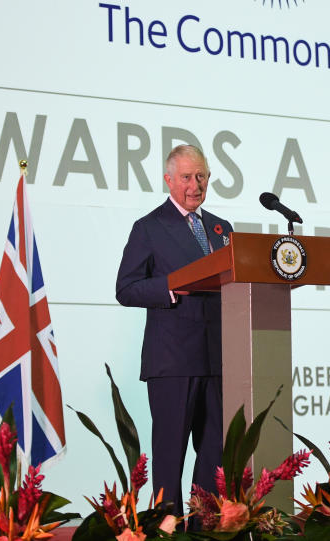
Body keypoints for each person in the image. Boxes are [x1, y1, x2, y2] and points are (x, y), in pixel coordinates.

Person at [115, 144, 233, 516]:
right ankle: (166, 528)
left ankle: (203, 526)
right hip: (173, 361)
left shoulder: (220, 228)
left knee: (215, 451)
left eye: (201, 177)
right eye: (187, 177)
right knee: (170, 453)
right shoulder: (149, 228)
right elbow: (126, 288)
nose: (195, 185)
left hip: (217, 357)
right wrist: (168, 287)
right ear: (169, 180)